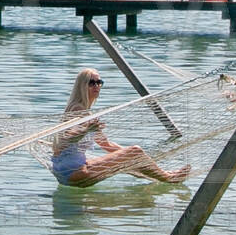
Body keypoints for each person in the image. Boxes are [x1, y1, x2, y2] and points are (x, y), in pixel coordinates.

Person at [49, 69, 191, 187]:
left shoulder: (87, 114)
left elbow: (106, 144)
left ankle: (165, 175)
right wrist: (86, 130)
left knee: (133, 158)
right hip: (73, 173)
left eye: (99, 82)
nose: (96, 86)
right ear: (82, 86)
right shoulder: (77, 109)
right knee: (135, 151)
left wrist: (137, 158)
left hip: (70, 171)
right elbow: (65, 138)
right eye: (92, 83)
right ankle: (169, 178)